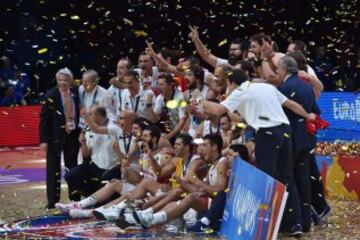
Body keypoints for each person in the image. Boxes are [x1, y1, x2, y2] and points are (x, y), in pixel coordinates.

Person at [195, 70, 317, 236]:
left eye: (228, 85)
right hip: (285, 132)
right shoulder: (265, 87)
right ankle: (296, 223)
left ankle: (263, 225)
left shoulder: (240, 91)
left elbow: (217, 110)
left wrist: (200, 100)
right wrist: (308, 115)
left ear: (232, 83)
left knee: (266, 178)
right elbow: (291, 105)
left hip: (267, 134)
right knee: (287, 178)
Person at [116, 134, 228, 230]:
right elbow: (159, 173)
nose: (201, 148)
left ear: (214, 147)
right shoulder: (208, 164)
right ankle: (143, 214)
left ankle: (146, 213)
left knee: (179, 192)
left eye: (204, 145)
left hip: (211, 206)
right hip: (186, 196)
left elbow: (219, 191)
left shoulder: (207, 162)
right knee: (154, 184)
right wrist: (150, 156)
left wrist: (195, 181)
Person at [277, 56, 318, 232]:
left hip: (292, 139)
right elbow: (316, 111)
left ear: (285, 69)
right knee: (304, 178)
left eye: (278, 68)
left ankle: (295, 221)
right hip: (307, 139)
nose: (276, 72)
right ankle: (306, 222)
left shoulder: (283, 88)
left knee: (288, 177)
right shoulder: (307, 86)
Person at [39, 68, 80, 209]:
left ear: (70, 81)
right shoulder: (50, 95)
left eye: (65, 80)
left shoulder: (76, 92)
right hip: (54, 137)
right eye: (60, 80)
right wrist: (43, 140)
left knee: (73, 167)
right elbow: (44, 119)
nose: (62, 82)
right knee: (52, 169)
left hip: (73, 136)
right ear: (57, 81)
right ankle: (52, 201)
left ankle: (75, 198)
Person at [61, 105, 119, 199]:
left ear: (98, 116)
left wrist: (85, 116)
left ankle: (96, 200)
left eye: (90, 115)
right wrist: (83, 143)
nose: (88, 118)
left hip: (111, 167)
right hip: (94, 164)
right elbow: (86, 154)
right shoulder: (88, 129)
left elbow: (97, 129)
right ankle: (90, 196)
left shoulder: (114, 127)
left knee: (104, 199)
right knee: (70, 176)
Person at [153, 73, 187, 143]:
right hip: (168, 130)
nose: (159, 87)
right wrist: (149, 106)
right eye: (158, 84)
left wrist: (170, 135)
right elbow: (154, 118)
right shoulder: (160, 98)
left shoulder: (180, 97)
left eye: (161, 84)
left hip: (181, 132)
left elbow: (182, 120)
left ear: (171, 85)